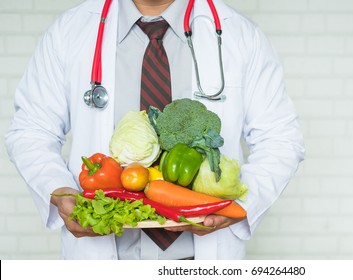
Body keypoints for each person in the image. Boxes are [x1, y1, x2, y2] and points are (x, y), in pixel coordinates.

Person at [5, 0, 305, 260]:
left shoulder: (240, 35)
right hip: (102, 257)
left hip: (199, 260)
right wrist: (58, 190)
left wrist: (238, 207)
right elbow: (32, 131)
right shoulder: (69, 32)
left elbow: (280, 139)